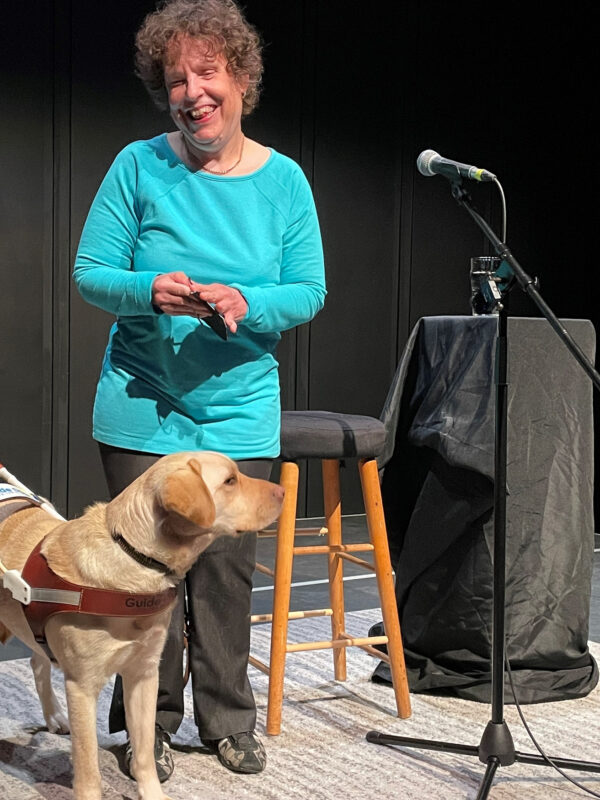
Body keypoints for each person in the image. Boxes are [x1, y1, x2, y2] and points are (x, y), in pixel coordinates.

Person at [73, 0, 325, 783]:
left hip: (237, 404)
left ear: (241, 78)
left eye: (208, 72)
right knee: (143, 570)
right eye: (177, 78)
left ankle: (226, 717)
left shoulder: (283, 180)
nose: (193, 91)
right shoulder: (137, 166)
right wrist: (151, 290)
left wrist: (251, 304)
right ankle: (150, 720)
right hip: (142, 402)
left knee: (222, 574)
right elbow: (91, 273)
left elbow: (308, 290)